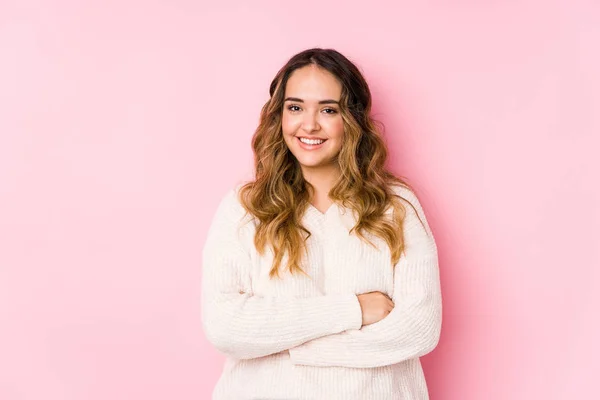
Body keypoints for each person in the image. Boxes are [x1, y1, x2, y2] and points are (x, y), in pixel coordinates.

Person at [201, 48, 442, 400]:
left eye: (328, 109)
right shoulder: (244, 208)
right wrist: (353, 309)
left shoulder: (395, 207)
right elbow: (225, 326)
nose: (309, 124)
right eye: (295, 107)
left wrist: (292, 348)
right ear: (278, 116)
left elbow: (420, 328)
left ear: (353, 118)